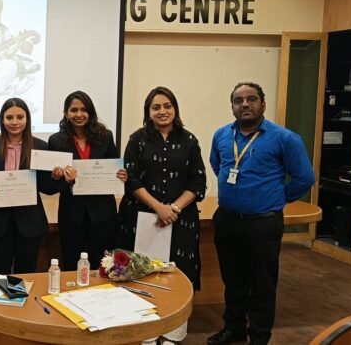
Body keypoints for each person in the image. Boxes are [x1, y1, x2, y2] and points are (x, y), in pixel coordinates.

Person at [208, 82, 315, 345]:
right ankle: (234, 328)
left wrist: (277, 197)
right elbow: (217, 165)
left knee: (262, 284)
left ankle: (259, 337)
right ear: (232, 107)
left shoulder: (285, 138)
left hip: (263, 224)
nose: (245, 104)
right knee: (232, 281)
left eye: (251, 99)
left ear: (263, 104)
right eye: (238, 100)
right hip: (227, 220)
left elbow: (304, 177)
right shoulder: (221, 135)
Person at [117, 86, 207, 345]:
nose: (162, 111)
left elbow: (198, 181)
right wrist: (159, 207)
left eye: (167, 106)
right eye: (156, 107)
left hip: (181, 220)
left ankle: (172, 335)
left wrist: (173, 208)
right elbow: (131, 179)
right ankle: (146, 333)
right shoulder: (137, 140)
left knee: (178, 275)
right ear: (148, 112)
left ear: (175, 108)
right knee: (142, 274)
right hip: (142, 217)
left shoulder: (189, 141)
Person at [0, 98, 60, 275]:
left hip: (30, 223)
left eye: (20, 117)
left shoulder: (40, 146)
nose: (14, 122)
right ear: (2, 120)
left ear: (27, 119)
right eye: (9, 117)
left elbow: (48, 187)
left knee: (25, 276)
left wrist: (57, 177)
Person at [48, 90, 127, 270]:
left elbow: (114, 169)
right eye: (73, 110)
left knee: (102, 266)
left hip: (103, 213)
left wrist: (122, 175)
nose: (79, 114)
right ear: (66, 113)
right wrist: (62, 179)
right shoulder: (56, 141)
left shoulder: (105, 136)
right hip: (71, 213)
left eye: (84, 110)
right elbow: (52, 184)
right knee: (71, 262)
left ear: (90, 112)